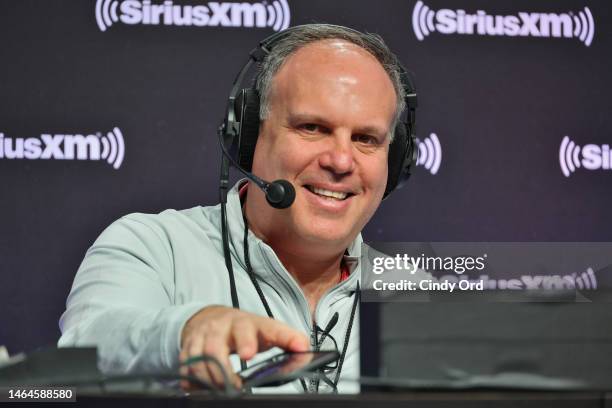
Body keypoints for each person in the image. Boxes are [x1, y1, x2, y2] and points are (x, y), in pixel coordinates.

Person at [58, 24, 410, 394]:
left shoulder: (415, 295)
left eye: (366, 139)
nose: (340, 160)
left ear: (396, 157)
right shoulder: (153, 249)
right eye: (312, 128)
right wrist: (185, 330)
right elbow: (83, 356)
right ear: (248, 136)